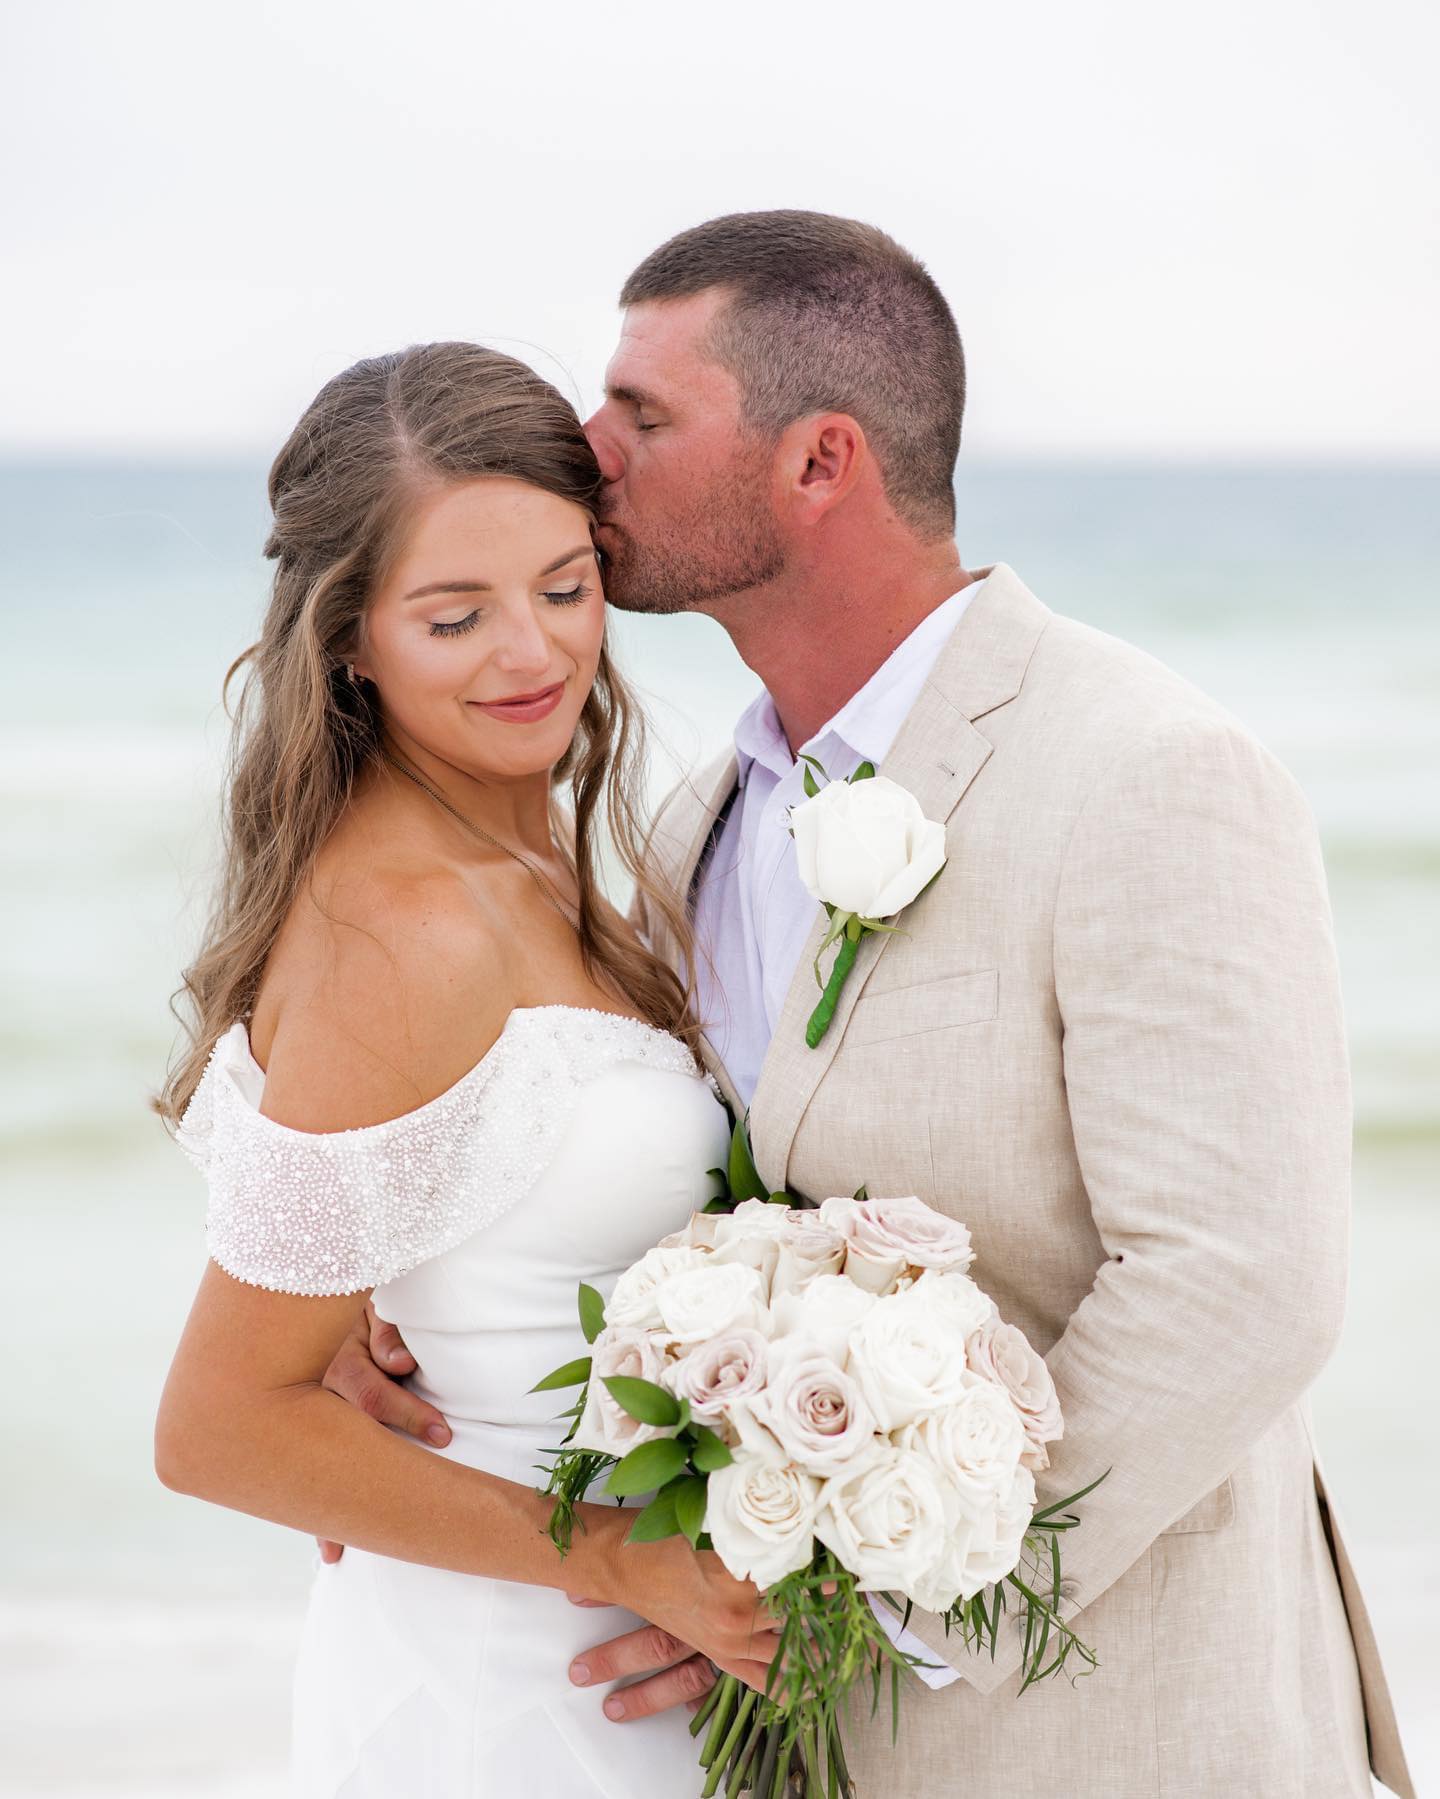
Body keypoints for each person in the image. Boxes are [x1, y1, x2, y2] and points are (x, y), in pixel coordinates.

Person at [330, 213, 1415, 1797]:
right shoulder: (698, 826)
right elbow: (666, 1185)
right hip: (805, 1744)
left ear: (819, 462)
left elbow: (1240, 1286)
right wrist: (416, 1324)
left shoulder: (1150, 772)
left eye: (644, 413)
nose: (587, 446)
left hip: (1127, 1727)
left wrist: (871, 1610)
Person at [153, 340, 779, 1799]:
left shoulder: (524, 847)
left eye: (566, 590)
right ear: (350, 638)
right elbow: (222, 1425)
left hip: (613, 1658)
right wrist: (622, 1555)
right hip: (506, 1699)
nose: (534, 654)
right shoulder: (404, 928)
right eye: (456, 618)